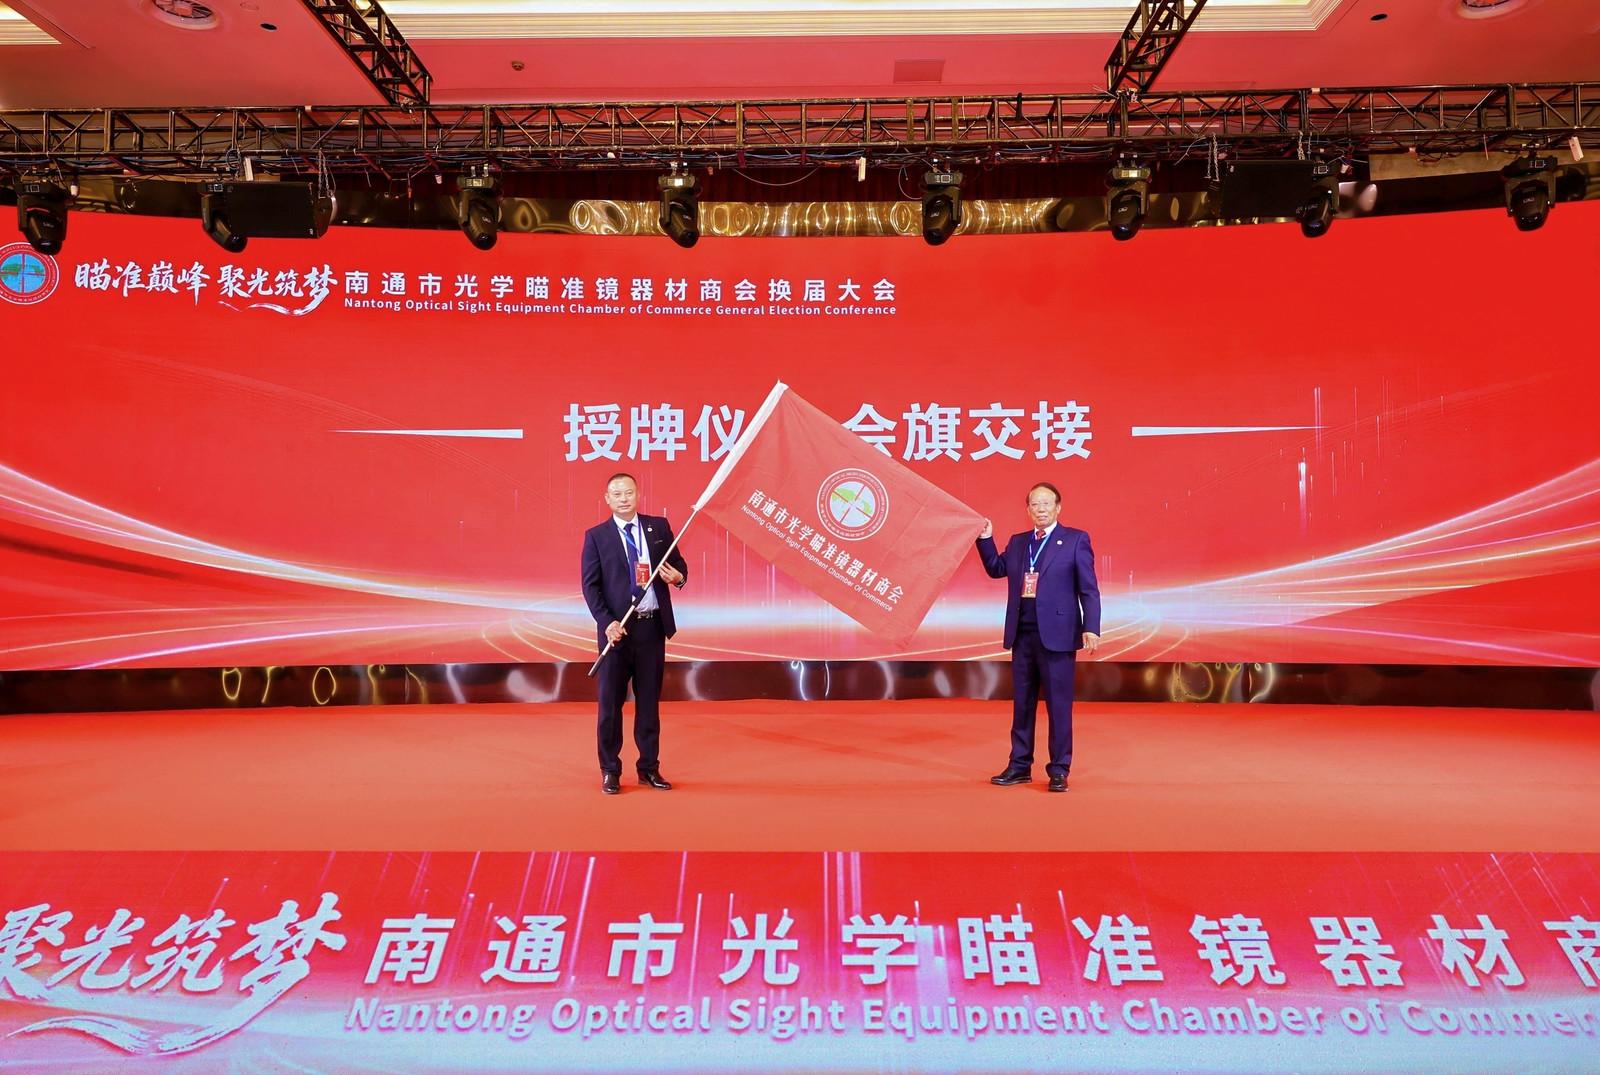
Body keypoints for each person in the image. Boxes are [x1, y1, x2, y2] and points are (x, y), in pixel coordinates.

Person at [975, 482, 1101, 792]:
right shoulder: (1019, 542)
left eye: (1046, 503)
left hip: (1058, 636)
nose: (1040, 508)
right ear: (1028, 510)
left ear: (1058, 507)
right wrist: (986, 538)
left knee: (1059, 706)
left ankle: (1059, 769)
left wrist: (1091, 626)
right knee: (1023, 704)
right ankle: (1019, 765)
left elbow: (1088, 588)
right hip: (1022, 635)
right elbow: (996, 568)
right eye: (1034, 504)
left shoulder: (1075, 540)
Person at [580, 472, 688, 795]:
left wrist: (678, 577)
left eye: (629, 492)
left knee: (649, 703)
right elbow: (590, 587)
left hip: (651, 628)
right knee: (610, 705)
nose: (624, 498)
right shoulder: (596, 536)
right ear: (607, 499)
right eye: (617, 494)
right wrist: (607, 622)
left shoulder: (658, 528)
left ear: (638, 494)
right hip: (616, 632)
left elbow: (679, 565)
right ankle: (610, 770)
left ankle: (649, 768)